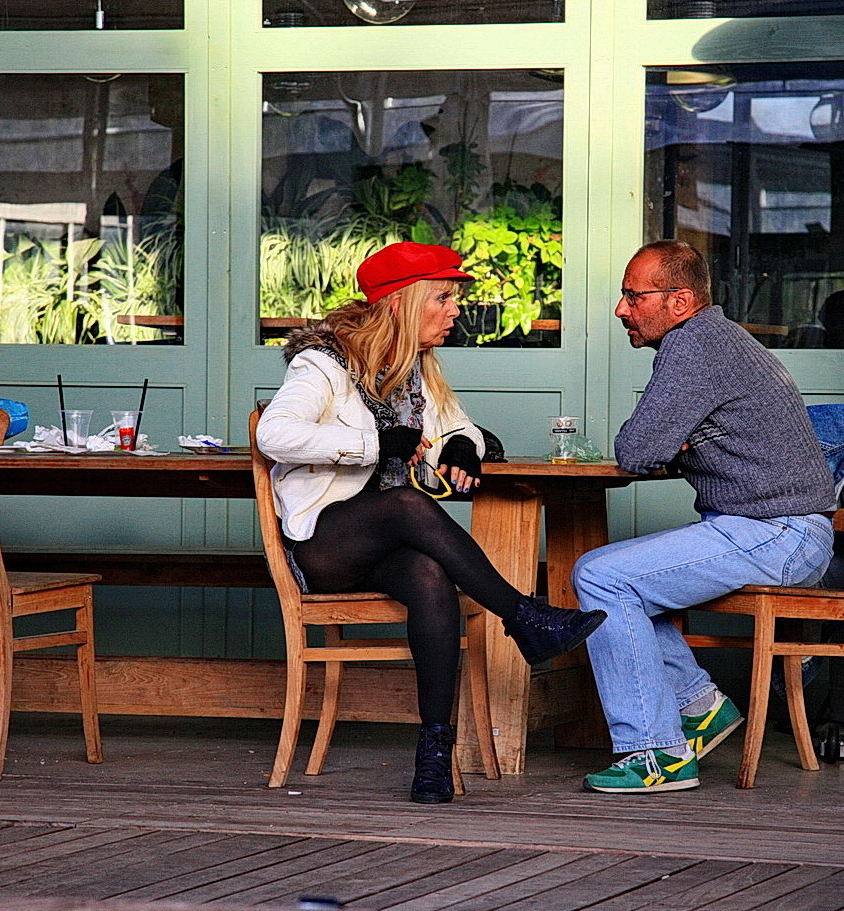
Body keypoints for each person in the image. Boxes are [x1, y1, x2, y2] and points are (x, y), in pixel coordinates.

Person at [255, 241, 607, 804]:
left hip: (387, 551)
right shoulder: (322, 363)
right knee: (404, 503)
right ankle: (524, 616)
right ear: (400, 303)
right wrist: (375, 443)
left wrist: (465, 448)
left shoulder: (415, 370)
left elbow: (459, 428)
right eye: (442, 298)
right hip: (325, 546)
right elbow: (275, 434)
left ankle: (434, 756)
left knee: (430, 576)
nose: (455, 310)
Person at [572, 239, 837, 795]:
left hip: (777, 532)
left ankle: (657, 755)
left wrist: (675, 442)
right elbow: (654, 447)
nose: (621, 309)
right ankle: (699, 708)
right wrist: (677, 441)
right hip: (773, 528)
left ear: (680, 301)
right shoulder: (714, 339)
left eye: (633, 296)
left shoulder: (695, 345)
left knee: (601, 577)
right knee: (617, 581)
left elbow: (636, 450)